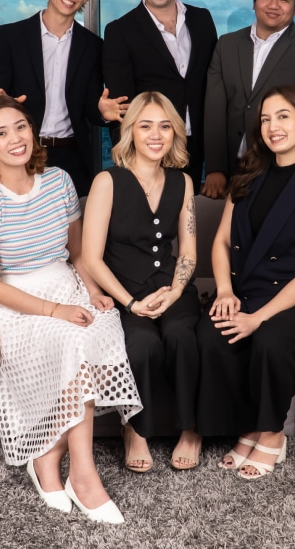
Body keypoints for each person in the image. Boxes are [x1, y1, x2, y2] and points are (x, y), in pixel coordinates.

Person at [0, 96, 142, 524]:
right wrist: (55, 310)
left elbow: (78, 253)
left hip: (64, 281)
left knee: (100, 323)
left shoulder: (60, 180)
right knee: (72, 338)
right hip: (17, 299)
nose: (15, 139)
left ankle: (48, 458)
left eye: (21, 127)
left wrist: (93, 291)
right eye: (1, 133)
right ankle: (84, 475)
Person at [195, 85, 295, 480]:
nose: (272, 127)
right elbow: (222, 241)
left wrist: (258, 318)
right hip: (242, 289)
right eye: (265, 119)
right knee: (211, 334)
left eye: (283, 117)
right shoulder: (247, 174)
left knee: (270, 341)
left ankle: (273, 434)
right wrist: (224, 291)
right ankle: (247, 427)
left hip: (293, 300)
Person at [82, 92, 202, 472]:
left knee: (183, 336)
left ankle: (190, 429)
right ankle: (135, 429)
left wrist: (178, 291)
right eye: (145, 125)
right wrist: (131, 304)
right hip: (124, 291)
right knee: (144, 343)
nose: (156, 134)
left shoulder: (183, 182)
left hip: (171, 285)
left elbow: (188, 252)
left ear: (174, 133)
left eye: (165, 126)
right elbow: (91, 258)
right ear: (129, 130)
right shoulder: (107, 181)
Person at [0, 0, 118, 197]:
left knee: (76, 231)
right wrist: (1, 103)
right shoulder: (12, 36)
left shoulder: (92, 46)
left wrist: (102, 112)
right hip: (22, 150)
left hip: (73, 157)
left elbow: (89, 106)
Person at [203, 0, 295, 198]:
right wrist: (215, 168)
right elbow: (214, 111)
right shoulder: (227, 44)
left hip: (280, 167)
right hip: (230, 167)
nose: (273, 5)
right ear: (254, 2)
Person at [103, 0, 218, 187]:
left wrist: (217, 161)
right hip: (150, 151)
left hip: (197, 149)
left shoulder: (202, 20)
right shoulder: (120, 31)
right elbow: (123, 105)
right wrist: (131, 161)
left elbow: (214, 85)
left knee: (190, 220)